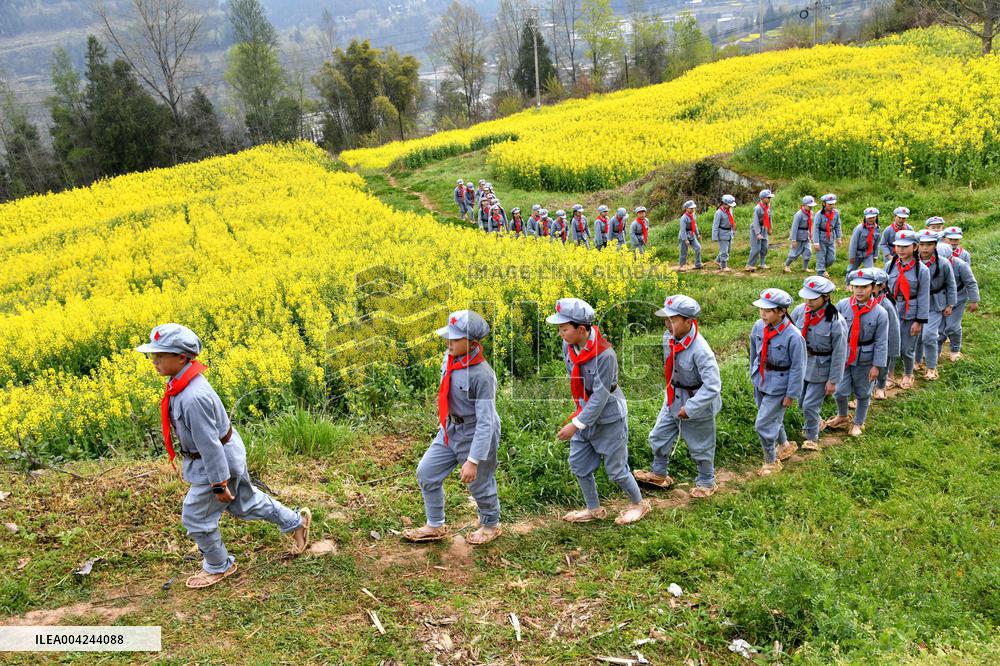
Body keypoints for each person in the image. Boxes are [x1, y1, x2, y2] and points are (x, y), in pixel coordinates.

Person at [136, 324, 311, 590]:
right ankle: (296, 522)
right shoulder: (181, 383)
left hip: (215, 464)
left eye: (161, 355)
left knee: (195, 516)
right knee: (245, 503)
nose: (155, 361)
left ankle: (219, 566)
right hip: (220, 456)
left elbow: (210, 446)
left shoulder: (193, 397)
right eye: (153, 355)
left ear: (182, 357)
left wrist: (218, 484)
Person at [546, 298, 650, 525]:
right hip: (584, 413)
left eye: (564, 329)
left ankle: (638, 504)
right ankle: (593, 508)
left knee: (616, 470)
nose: (560, 334)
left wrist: (576, 424)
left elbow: (601, 396)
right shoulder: (569, 345)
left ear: (581, 329)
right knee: (580, 465)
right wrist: (580, 417)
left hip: (609, 418)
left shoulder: (604, 355)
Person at [404, 311, 502, 546]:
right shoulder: (449, 358)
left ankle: (491, 524)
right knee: (426, 472)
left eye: (456, 339)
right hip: (450, 430)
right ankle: (435, 525)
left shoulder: (482, 375)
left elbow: (486, 421)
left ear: (472, 343)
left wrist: (473, 460)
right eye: (449, 337)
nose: (449, 342)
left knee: (480, 483)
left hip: (476, 433)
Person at [633, 295, 721, 498]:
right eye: (665, 319)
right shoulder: (669, 337)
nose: (667, 324)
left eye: (672, 320)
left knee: (701, 444)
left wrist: (690, 408)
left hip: (697, 400)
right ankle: (659, 473)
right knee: (658, 436)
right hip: (674, 396)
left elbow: (713, 386)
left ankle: (707, 481)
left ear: (689, 322)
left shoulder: (701, 351)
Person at [748, 289, 806, 475]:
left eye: (768, 310)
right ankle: (785, 445)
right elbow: (753, 352)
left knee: (763, 424)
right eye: (761, 309)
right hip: (762, 378)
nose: (763, 314)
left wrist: (791, 395)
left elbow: (798, 368)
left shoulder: (793, 336)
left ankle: (770, 461)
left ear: (781, 311)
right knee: (771, 417)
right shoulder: (758, 326)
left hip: (781, 384)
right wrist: (753, 374)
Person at [825, 269, 889, 438]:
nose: (859, 291)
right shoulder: (842, 305)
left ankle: (859, 422)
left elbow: (882, 342)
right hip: (844, 355)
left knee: (863, 392)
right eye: (856, 287)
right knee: (839, 390)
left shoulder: (880, 313)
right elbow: (834, 332)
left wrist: (877, 366)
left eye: (865, 287)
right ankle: (843, 415)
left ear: (873, 288)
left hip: (865, 358)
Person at [790, 276, 847, 451]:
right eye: (807, 297)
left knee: (809, 405)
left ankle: (812, 437)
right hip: (802, 365)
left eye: (814, 298)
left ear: (826, 297)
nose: (809, 301)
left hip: (822, 368)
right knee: (801, 403)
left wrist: (833, 380)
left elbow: (840, 353)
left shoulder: (836, 321)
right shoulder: (800, 311)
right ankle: (816, 422)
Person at [885, 230, 930, 389]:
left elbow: (924, 297)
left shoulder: (922, 270)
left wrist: (919, 321)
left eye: (905, 246)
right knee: (890, 344)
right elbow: (884, 290)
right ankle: (888, 375)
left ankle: (908, 373)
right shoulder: (889, 266)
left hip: (910, 312)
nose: (901, 250)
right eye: (898, 246)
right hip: (891, 311)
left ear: (915, 247)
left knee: (906, 348)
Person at [915, 229, 956, 381]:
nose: (925, 248)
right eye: (922, 244)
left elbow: (950, 284)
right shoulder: (913, 262)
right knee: (917, 335)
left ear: (935, 245)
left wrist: (950, 304)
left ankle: (932, 366)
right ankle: (917, 360)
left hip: (935, 302)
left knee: (929, 335)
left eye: (929, 244)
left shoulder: (943, 263)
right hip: (917, 302)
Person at [939, 238, 979, 362]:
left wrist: (973, 300)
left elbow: (970, 282)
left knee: (952, 327)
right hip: (939, 300)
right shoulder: (933, 265)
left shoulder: (960, 264)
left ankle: (955, 350)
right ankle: (936, 350)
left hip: (958, 299)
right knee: (938, 330)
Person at [871, 268, 900, 399]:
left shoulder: (886, 305)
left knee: (882, 366)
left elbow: (894, 330)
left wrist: (892, 350)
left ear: (882, 286)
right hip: (865, 342)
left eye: (873, 286)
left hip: (883, 342)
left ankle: (880, 387)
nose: (870, 289)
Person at [813, 193, 843, 277]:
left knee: (831, 258)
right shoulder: (819, 215)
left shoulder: (836, 213)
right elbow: (815, 228)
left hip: (831, 237)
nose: (832, 206)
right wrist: (816, 242)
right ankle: (820, 273)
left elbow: (837, 225)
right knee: (821, 256)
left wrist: (839, 238)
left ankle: (821, 268)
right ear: (824, 204)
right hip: (821, 237)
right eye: (830, 204)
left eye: (833, 204)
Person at [784, 195, 816, 273]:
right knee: (794, 253)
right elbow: (794, 228)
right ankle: (786, 265)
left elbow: (811, 224)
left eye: (812, 206)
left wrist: (811, 234)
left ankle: (805, 268)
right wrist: (793, 239)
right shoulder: (799, 214)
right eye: (809, 206)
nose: (811, 208)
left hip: (807, 236)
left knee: (808, 252)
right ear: (804, 205)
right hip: (798, 237)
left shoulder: (811, 213)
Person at [745, 189, 774, 272]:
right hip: (756, 229)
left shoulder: (767, 207)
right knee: (756, 248)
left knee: (764, 247)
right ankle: (749, 265)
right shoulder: (757, 208)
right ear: (763, 198)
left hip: (764, 228)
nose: (769, 199)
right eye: (768, 198)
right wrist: (757, 233)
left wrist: (769, 228)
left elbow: (769, 218)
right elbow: (755, 221)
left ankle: (762, 263)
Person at [847, 207, 881, 272]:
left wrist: (875, 255)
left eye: (873, 217)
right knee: (851, 270)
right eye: (869, 218)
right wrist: (852, 256)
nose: (871, 219)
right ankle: (848, 281)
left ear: (876, 217)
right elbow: (853, 243)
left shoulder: (877, 229)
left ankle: (868, 282)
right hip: (857, 253)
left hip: (869, 253)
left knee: (869, 271)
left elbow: (877, 244)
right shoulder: (859, 229)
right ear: (865, 217)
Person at [712, 194, 737, 272]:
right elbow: (715, 225)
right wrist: (715, 237)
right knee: (724, 251)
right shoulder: (719, 213)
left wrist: (733, 230)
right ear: (723, 203)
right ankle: (723, 266)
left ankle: (717, 260)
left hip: (729, 232)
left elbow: (731, 220)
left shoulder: (730, 210)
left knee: (728, 249)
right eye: (729, 205)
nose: (730, 206)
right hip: (722, 233)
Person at [677, 200, 703, 270]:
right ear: (687, 209)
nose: (693, 209)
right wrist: (685, 239)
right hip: (684, 236)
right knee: (684, 251)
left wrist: (697, 234)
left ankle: (698, 264)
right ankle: (681, 265)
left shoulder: (693, 215)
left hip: (692, 234)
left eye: (693, 208)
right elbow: (683, 230)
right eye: (691, 208)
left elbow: (695, 224)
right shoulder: (683, 218)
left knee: (698, 248)